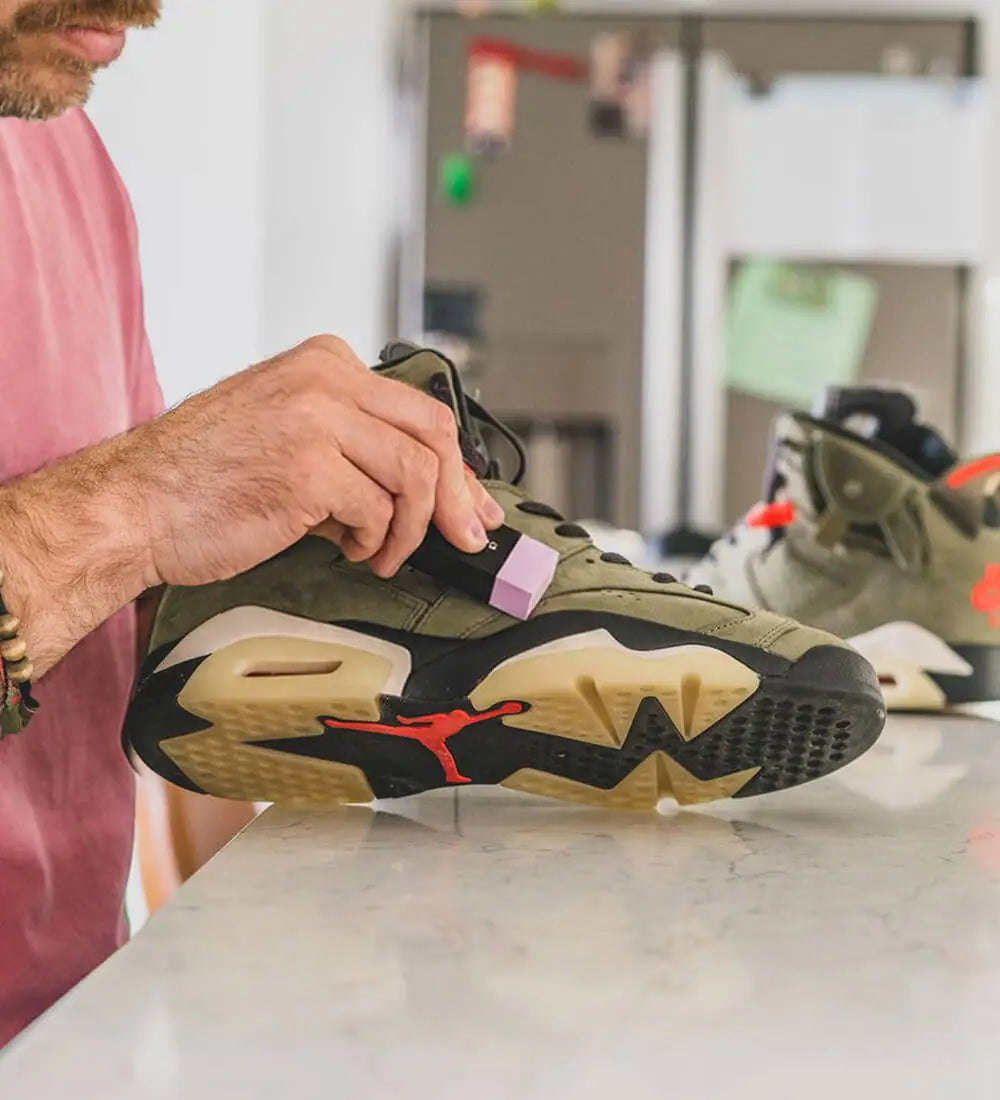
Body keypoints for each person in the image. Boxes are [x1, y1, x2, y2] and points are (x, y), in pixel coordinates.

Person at [0, 0, 502, 1047]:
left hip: (77, 1028)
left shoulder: (61, 151)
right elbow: (126, 525)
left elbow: (130, 652)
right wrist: (137, 501)